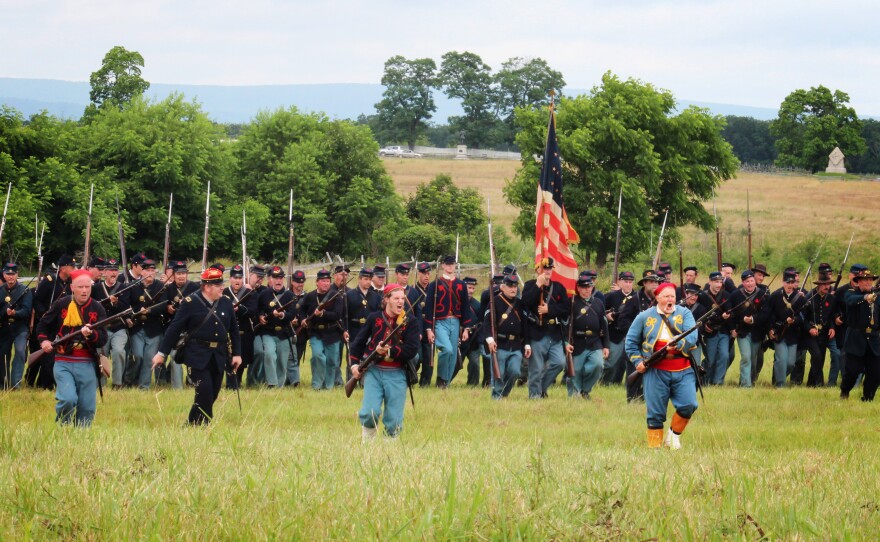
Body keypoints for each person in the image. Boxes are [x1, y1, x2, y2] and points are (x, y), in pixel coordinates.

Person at [152, 268, 241, 425]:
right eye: (218, 284)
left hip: (219, 355)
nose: (222, 287)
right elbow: (174, 328)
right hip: (197, 354)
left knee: (212, 393)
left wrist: (237, 354)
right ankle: (202, 426)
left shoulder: (226, 302)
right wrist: (161, 353)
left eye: (222, 284)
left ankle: (191, 424)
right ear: (207, 287)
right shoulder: (190, 303)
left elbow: (234, 330)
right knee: (204, 392)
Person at [626, 282, 699, 449]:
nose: (670, 299)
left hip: (683, 368)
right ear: (657, 298)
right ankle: (655, 450)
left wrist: (679, 344)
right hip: (656, 370)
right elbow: (630, 342)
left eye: (672, 296)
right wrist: (638, 362)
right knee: (655, 414)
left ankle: (673, 437)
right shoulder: (644, 316)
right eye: (666, 296)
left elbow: (692, 336)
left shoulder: (685, 313)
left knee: (689, 404)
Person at [35, 269, 108, 427]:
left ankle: (80, 439)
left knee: (87, 407)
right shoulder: (61, 304)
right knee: (68, 400)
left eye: (87, 287)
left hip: (87, 362)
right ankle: (63, 430)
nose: (84, 290)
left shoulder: (97, 308)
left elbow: (102, 339)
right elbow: (42, 326)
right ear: (72, 287)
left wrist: (90, 334)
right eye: (80, 287)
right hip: (63, 361)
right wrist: (44, 342)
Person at [351, 284, 420, 440]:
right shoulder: (374, 318)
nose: (400, 302)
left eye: (402, 298)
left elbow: (412, 349)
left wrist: (388, 351)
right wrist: (355, 365)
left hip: (397, 373)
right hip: (374, 372)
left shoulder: (410, 321)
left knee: (394, 420)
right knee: (369, 412)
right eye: (396, 298)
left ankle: (389, 451)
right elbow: (358, 343)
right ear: (387, 299)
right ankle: (367, 446)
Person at [521, 257, 568, 399]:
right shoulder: (530, 285)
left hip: (554, 332)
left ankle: (541, 388)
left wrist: (550, 309)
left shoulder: (558, 287)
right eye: (544, 268)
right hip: (537, 331)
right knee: (536, 368)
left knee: (559, 363)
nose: (547, 271)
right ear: (537, 270)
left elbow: (566, 308)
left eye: (549, 269)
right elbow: (525, 303)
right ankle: (534, 395)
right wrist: (537, 285)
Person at [423, 255, 471, 388]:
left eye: (452, 264)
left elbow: (465, 307)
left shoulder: (461, 285)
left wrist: (466, 328)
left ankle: (446, 384)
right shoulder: (435, 284)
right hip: (440, 322)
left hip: (455, 322)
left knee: (454, 355)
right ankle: (441, 378)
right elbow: (429, 307)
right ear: (443, 265)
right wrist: (428, 329)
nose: (450, 266)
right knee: (447, 350)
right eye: (448, 264)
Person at [484, 274, 530, 399]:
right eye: (510, 286)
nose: (513, 289)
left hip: (515, 345)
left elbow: (525, 326)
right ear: (503, 287)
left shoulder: (520, 304)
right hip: (500, 344)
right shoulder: (494, 302)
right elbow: (487, 323)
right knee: (499, 373)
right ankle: (496, 396)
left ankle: (504, 394)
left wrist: (527, 344)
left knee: (515, 372)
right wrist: (490, 340)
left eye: (515, 286)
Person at [565, 271, 609, 399]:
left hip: (594, 341)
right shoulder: (571, 302)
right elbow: (564, 324)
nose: (586, 290)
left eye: (588, 287)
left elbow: (604, 325)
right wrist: (566, 342)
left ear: (592, 287)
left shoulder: (598, 303)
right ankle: (574, 394)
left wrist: (606, 345)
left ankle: (585, 390)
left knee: (598, 365)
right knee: (575, 370)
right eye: (583, 287)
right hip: (576, 341)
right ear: (578, 288)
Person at [299, 269, 344, 390]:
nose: (326, 283)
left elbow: (337, 315)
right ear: (317, 282)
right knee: (318, 356)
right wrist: (303, 319)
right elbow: (302, 310)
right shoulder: (310, 296)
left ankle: (328, 386)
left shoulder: (336, 296)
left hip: (332, 333)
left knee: (331, 361)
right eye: (323, 281)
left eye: (328, 281)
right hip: (316, 332)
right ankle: (316, 385)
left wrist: (323, 314)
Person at [840, 267, 880, 401]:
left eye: (870, 280)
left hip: (873, 339)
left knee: (876, 372)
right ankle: (845, 391)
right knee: (852, 371)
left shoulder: (877, 296)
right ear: (858, 282)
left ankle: (868, 397)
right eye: (865, 280)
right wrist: (865, 297)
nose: (868, 282)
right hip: (856, 339)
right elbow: (850, 301)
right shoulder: (850, 293)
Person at [91, 258, 131, 390]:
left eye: (115, 270)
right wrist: (106, 302)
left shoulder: (124, 287)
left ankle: (117, 383)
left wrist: (115, 303)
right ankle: (100, 384)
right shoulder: (96, 288)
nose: (114, 273)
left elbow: (126, 308)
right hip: (102, 328)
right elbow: (93, 306)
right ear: (105, 272)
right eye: (111, 270)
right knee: (101, 355)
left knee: (119, 351)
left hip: (118, 327)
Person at [765, 270, 806, 387]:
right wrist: (770, 329)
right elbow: (768, 315)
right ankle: (780, 384)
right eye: (787, 282)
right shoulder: (775, 296)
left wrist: (794, 320)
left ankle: (779, 377)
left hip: (792, 335)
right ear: (783, 282)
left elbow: (803, 316)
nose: (789, 285)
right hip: (779, 334)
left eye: (792, 282)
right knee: (781, 360)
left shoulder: (800, 298)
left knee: (791, 363)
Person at [256, 266, 295, 388]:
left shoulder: (290, 295)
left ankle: (279, 385)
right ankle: (271, 383)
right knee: (269, 354)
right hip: (268, 331)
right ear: (270, 279)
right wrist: (260, 316)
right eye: (275, 278)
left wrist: (283, 314)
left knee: (282, 361)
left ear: (283, 279)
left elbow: (292, 313)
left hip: (284, 333)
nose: (278, 281)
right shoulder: (264, 294)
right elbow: (258, 310)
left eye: (280, 278)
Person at [727, 269, 766, 387]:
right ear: (743, 283)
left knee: (753, 359)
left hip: (757, 332)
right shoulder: (735, 295)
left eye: (751, 280)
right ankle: (745, 385)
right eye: (747, 281)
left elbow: (765, 313)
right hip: (742, 332)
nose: (750, 283)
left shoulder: (762, 294)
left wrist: (753, 319)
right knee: (746, 357)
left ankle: (750, 381)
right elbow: (730, 314)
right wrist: (732, 328)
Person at [0, 262, 33, 389]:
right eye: (8, 274)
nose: (10, 277)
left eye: (13, 274)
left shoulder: (25, 290)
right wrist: (5, 312)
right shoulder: (1, 291)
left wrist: (15, 313)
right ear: (4, 275)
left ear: (17, 275)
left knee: (19, 352)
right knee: (3, 355)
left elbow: (27, 311)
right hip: (4, 328)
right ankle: (3, 383)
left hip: (20, 328)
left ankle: (16, 384)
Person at [223, 264, 256, 389]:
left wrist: (240, 308)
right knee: (227, 358)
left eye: (239, 278)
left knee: (242, 359)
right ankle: (230, 383)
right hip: (227, 331)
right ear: (230, 279)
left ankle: (237, 381)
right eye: (235, 278)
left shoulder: (249, 293)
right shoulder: (225, 292)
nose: (237, 280)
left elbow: (253, 311)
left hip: (244, 331)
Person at [603, 271, 639, 387]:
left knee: (627, 363)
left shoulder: (637, 297)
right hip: (615, 333)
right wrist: (607, 316)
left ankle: (623, 384)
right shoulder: (611, 296)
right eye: (625, 281)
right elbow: (600, 310)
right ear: (619, 282)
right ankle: (604, 382)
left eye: (630, 282)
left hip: (631, 334)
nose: (628, 284)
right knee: (611, 362)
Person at [803, 272, 837, 387]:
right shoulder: (809, 297)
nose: (827, 287)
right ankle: (819, 383)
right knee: (816, 355)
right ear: (818, 285)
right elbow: (803, 318)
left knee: (820, 359)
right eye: (824, 284)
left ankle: (810, 383)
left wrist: (832, 327)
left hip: (823, 334)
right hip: (810, 334)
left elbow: (832, 315)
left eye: (828, 284)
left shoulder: (831, 298)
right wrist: (809, 329)